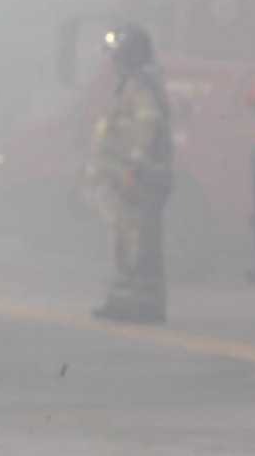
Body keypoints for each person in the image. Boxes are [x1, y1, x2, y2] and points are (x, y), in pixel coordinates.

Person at [86, 23, 172, 324]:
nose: (114, 63)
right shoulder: (131, 86)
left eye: (117, 56)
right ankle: (123, 303)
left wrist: (132, 170)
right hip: (132, 179)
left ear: (129, 56)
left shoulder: (142, 87)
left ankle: (145, 307)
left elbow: (147, 129)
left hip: (142, 180)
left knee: (139, 246)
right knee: (128, 243)